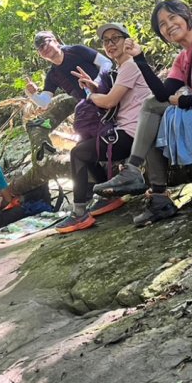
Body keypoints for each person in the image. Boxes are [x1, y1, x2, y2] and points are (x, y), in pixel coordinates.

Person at [93, 0, 192, 227]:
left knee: (152, 112)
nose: (168, 26)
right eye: (162, 25)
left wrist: (185, 101)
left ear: (185, 15)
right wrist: (140, 58)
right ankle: (158, 199)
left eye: (172, 18)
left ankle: (135, 172)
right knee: (152, 112)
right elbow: (163, 94)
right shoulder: (182, 58)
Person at [53, 23, 153, 233]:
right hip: (128, 129)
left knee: (79, 153)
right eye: (106, 41)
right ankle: (110, 195)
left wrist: (91, 96)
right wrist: (93, 87)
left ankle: (79, 213)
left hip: (134, 133)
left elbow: (109, 101)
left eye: (115, 38)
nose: (110, 44)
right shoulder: (123, 68)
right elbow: (116, 96)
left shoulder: (131, 66)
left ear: (127, 41)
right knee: (83, 149)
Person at [25, 31, 112, 107]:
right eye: (40, 48)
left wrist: (96, 82)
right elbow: (44, 103)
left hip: (110, 93)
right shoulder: (53, 75)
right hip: (93, 108)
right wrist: (32, 94)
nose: (44, 49)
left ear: (55, 41)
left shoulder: (76, 50)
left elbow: (106, 63)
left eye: (45, 43)